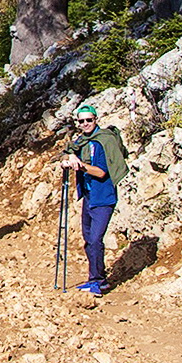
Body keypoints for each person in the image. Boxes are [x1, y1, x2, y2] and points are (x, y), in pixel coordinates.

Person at [62, 103, 119, 294]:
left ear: (96, 120)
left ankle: (99, 281)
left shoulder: (103, 141)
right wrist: (69, 158)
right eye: (82, 121)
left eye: (89, 120)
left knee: (95, 239)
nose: (85, 123)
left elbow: (102, 172)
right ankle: (95, 278)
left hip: (103, 197)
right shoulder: (82, 141)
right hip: (88, 196)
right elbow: (70, 149)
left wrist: (81, 166)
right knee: (88, 239)